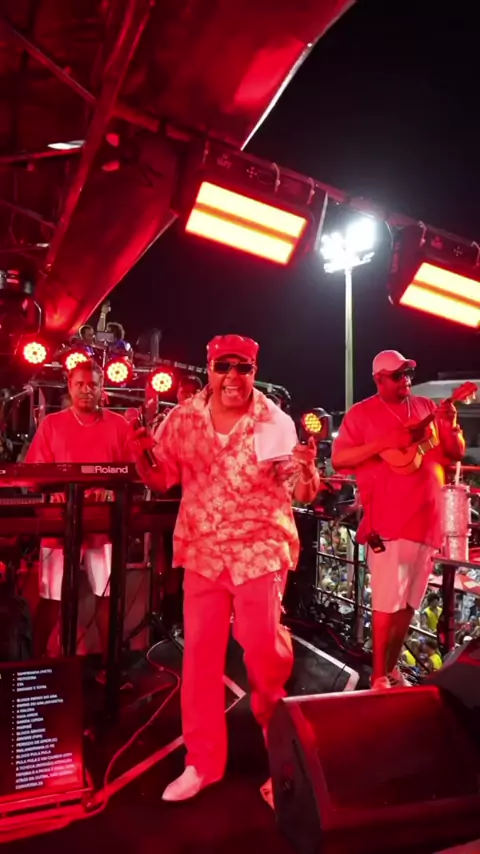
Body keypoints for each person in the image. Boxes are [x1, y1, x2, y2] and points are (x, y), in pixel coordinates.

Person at [130, 334, 320, 801]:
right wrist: (141, 452)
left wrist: (307, 470)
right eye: (223, 367)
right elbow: (162, 477)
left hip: (259, 549)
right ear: (209, 369)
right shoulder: (183, 418)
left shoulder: (273, 421)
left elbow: (301, 493)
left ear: (255, 371)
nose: (233, 377)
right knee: (199, 657)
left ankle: (280, 760)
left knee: (262, 654)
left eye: (243, 368)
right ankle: (202, 762)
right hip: (203, 551)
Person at [332, 349, 464, 690]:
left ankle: (390, 669)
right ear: (378, 380)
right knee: (386, 605)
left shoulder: (425, 407)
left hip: (428, 521)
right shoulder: (361, 414)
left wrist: (450, 423)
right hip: (387, 525)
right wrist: (381, 444)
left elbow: (455, 452)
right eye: (397, 375)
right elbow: (339, 459)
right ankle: (378, 675)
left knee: (409, 605)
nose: (405, 380)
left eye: (408, 374)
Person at [26, 360, 132, 662]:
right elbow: (34, 477)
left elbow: (134, 475)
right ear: (69, 387)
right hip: (59, 523)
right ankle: (35, 666)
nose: (86, 390)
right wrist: (57, 493)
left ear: (102, 388)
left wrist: (111, 492)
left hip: (104, 524)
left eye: (93, 385)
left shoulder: (119, 425)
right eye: (80, 384)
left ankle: (110, 667)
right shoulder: (52, 424)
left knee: (108, 597)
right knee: (51, 598)